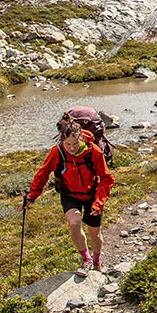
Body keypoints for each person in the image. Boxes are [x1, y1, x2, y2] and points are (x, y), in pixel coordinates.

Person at [24, 112, 115, 276]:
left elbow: (107, 179)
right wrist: (32, 196)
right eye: (68, 144)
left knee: (95, 233)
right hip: (69, 194)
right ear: (62, 141)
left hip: (92, 194)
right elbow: (42, 174)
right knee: (74, 223)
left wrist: (98, 203)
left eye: (75, 144)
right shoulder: (57, 152)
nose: (72, 148)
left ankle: (96, 261)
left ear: (81, 138)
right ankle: (86, 259)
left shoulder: (93, 151)